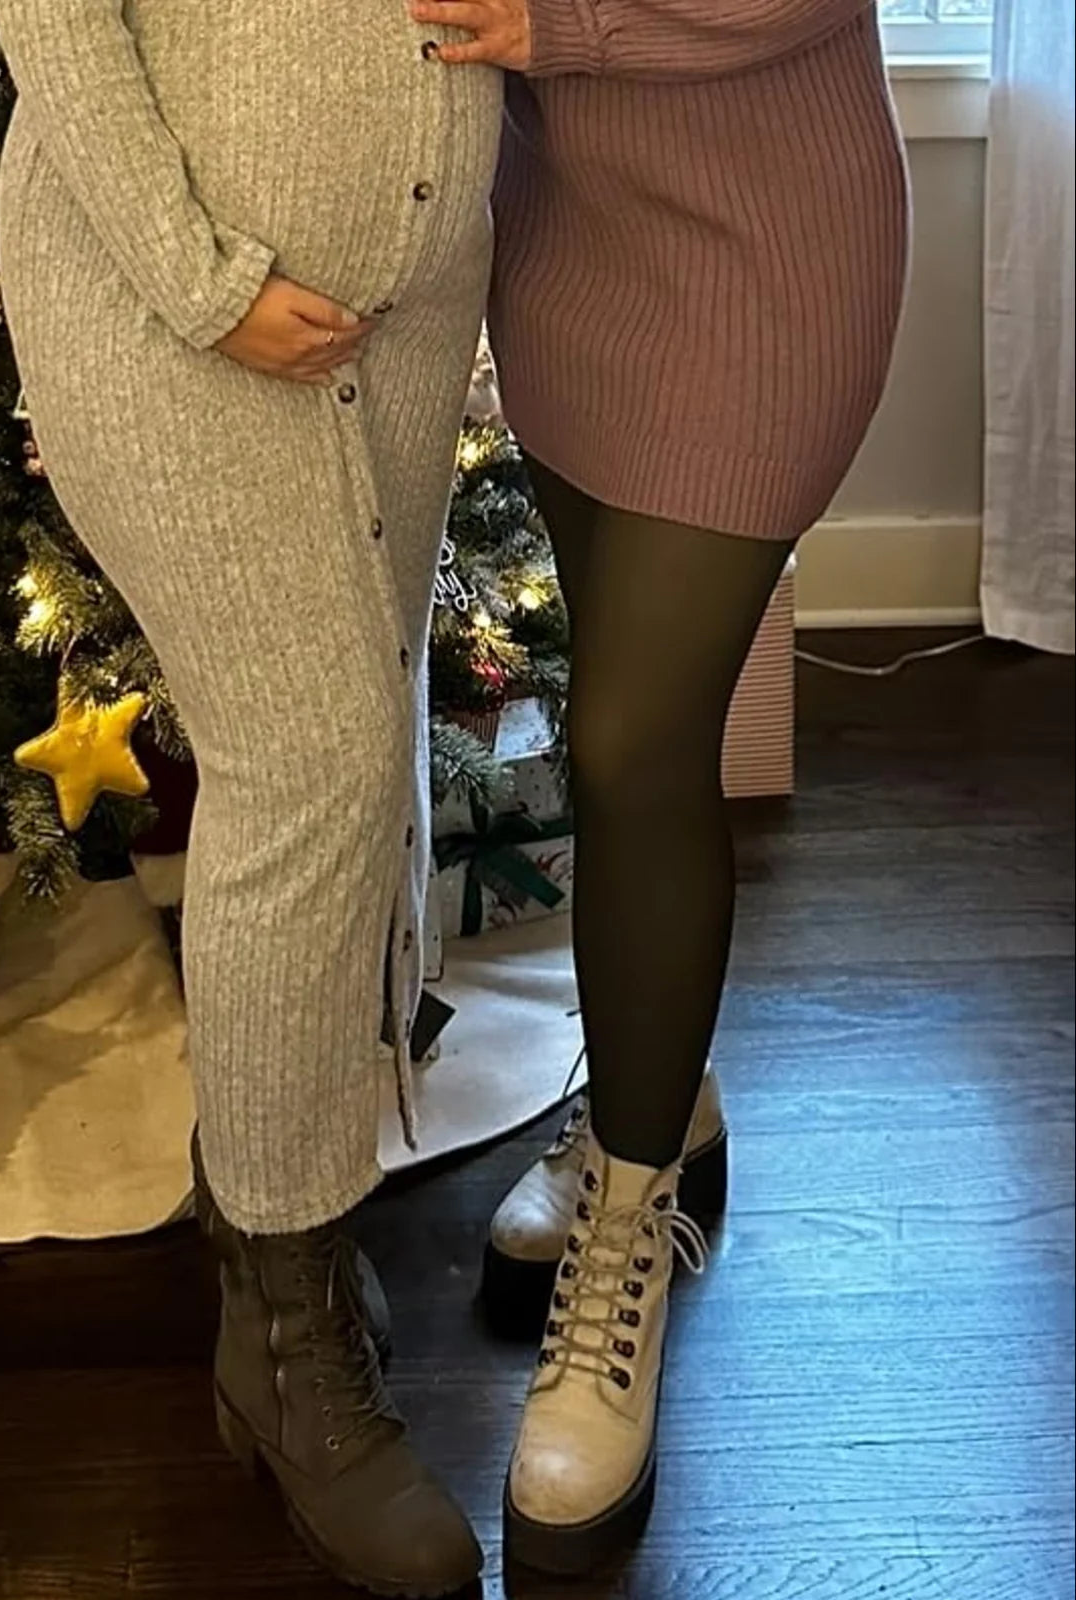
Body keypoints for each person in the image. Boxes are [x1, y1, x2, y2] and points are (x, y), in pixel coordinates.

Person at [0, 4, 503, 1594]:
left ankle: (287, 1240)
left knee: (364, 729)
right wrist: (200, 276)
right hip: (179, 307)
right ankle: (284, 1354)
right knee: (314, 767)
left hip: (412, 306)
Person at [417, 0, 909, 1575]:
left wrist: (567, 22)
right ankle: (659, 1099)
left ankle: (629, 1226)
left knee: (634, 746)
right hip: (569, 251)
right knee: (622, 730)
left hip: (767, 260)